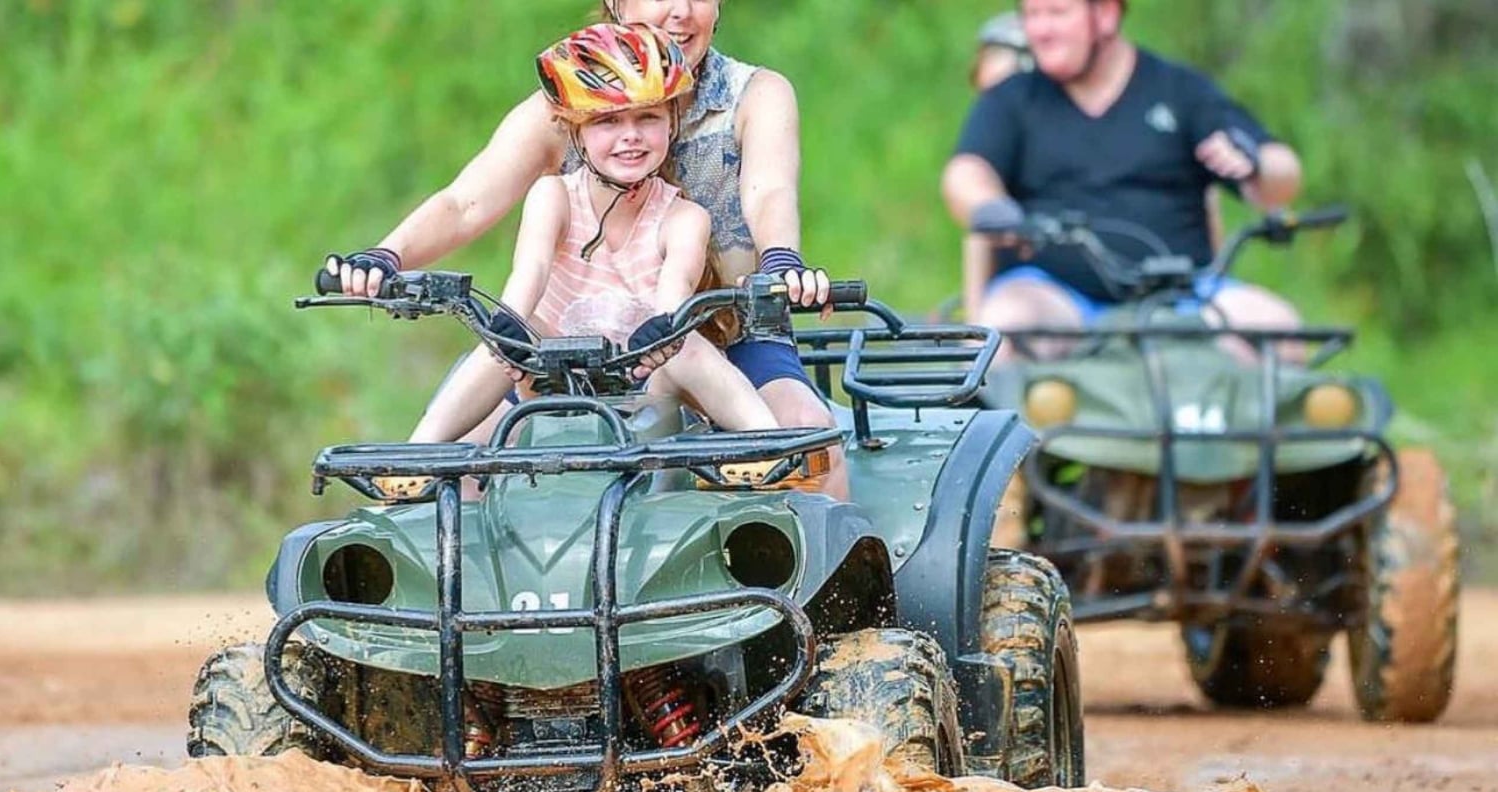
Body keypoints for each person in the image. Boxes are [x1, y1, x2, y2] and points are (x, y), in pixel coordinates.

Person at [324, 0, 847, 497]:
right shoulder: (566, 100)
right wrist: (383, 258)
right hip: (568, 353)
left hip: (725, 334)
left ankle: (827, 587)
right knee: (455, 467)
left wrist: (782, 261)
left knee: (808, 436)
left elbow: (769, 192)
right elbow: (466, 202)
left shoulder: (753, 95)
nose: (680, 11)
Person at [406, 23, 777, 449]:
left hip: (644, 386)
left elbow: (676, 287)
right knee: (505, 339)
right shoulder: (554, 196)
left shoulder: (684, 217)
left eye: (648, 117)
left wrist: (665, 330)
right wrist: (508, 324)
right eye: (608, 121)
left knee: (687, 345)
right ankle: (412, 461)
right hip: (552, 381)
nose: (630, 136)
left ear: (672, 122)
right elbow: (533, 269)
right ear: (575, 131)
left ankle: (767, 445)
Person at [943, 0, 1304, 363]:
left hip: (1186, 294)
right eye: (1032, 15)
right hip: (1053, 293)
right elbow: (967, 172)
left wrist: (1256, 164)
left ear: (1106, 15)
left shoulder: (1180, 91)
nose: (1040, 29)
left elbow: (1282, 172)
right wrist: (990, 207)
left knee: (1279, 330)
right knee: (1005, 331)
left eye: (1056, 13)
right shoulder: (1013, 98)